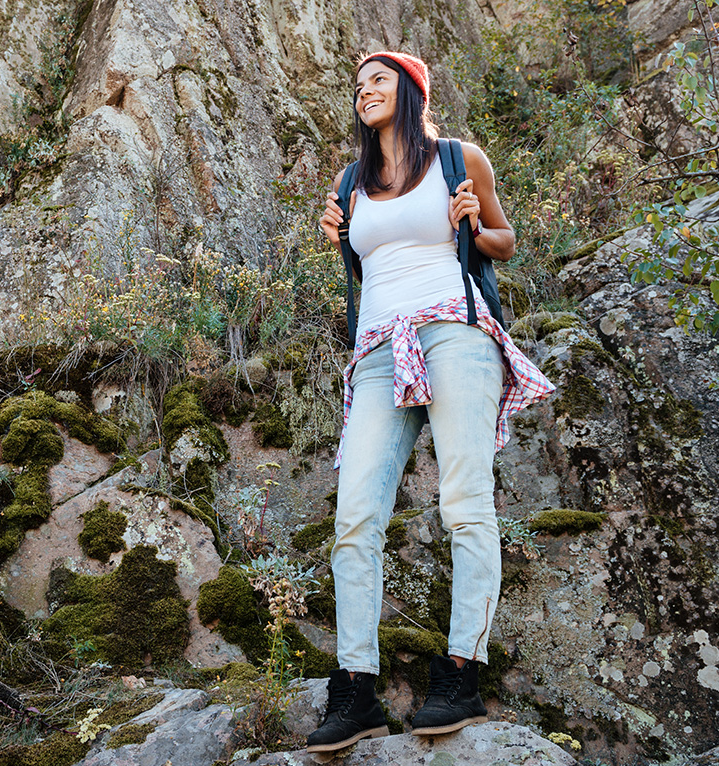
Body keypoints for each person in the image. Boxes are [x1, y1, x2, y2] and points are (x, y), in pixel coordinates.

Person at [306, 51, 555, 753]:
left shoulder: (456, 157)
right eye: (356, 85)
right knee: (355, 514)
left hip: (454, 335)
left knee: (463, 503)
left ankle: (459, 674)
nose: (364, 91)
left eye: (378, 80)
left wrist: (474, 223)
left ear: (410, 91)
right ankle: (354, 689)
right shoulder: (350, 180)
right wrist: (336, 237)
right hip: (379, 351)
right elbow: (367, 259)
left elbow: (503, 242)